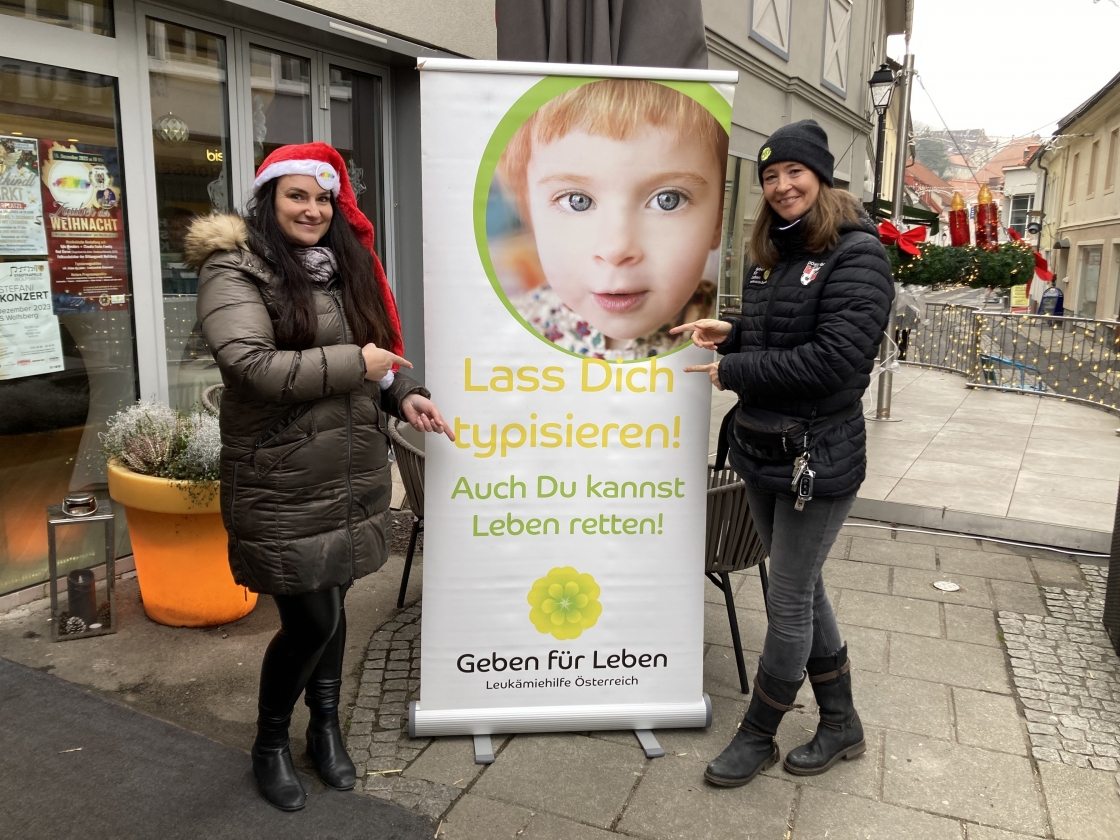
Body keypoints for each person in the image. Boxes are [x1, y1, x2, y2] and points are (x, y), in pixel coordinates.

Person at [185, 142, 453, 811]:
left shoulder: (346, 267)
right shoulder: (234, 268)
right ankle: (272, 740)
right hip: (280, 478)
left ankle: (325, 728)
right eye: (295, 195)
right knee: (312, 619)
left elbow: (379, 356)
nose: (311, 209)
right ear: (269, 200)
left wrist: (404, 393)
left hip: (349, 469)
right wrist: (358, 366)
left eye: (322, 197)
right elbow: (252, 366)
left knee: (331, 603)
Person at [672, 120, 893, 788]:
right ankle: (841, 722)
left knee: (789, 598)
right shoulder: (772, 253)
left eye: (794, 172)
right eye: (770, 177)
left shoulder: (857, 254)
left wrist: (734, 370)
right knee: (804, 587)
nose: (781, 185)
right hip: (763, 452)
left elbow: (836, 360)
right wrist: (732, 330)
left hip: (815, 459)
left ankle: (758, 734)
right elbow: (776, 332)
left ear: (821, 177)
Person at [497, 79, 727, 359]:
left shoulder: (729, 333)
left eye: (668, 200)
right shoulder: (508, 330)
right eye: (577, 201)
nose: (616, 250)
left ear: (717, 220)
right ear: (528, 211)